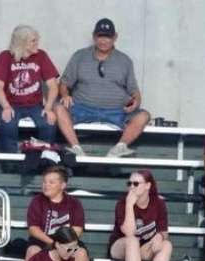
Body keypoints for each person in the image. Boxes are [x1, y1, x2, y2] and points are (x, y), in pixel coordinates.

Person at [54, 18, 149, 157]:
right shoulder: (79, 56)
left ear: (115, 37)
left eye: (108, 37)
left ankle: (119, 148)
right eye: (100, 36)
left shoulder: (125, 60)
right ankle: (76, 149)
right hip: (82, 108)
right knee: (58, 108)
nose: (103, 41)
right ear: (94, 36)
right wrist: (65, 95)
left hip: (116, 111)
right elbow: (64, 83)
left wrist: (136, 102)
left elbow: (134, 91)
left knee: (144, 115)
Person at [0, 25, 59, 154]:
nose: (37, 43)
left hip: (35, 105)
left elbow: (53, 86)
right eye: (33, 41)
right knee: (8, 123)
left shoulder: (41, 56)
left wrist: (48, 108)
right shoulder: (5, 57)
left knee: (48, 124)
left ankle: (44, 162)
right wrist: (6, 107)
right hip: (11, 104)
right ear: (22, 42)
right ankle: (10, 166)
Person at [23, 166, 91, 261]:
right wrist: (54, 244)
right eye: (44, 182)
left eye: (51, 182)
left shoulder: (74, 203)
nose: (46, 185)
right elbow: (33, 229)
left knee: (80, 253)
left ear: (63, 185)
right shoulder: (37, 201)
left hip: (68, 242)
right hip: (43, 242)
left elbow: (77, 230)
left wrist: (64, 245)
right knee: (32, 251)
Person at [108, 169, 172, 261]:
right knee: (132, 241)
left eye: (136, 184)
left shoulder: (159, 203)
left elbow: (164, 231)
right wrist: (129, 205)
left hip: (142, 248)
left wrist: (159, 236)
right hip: (120, 246)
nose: (131, 187)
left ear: (148, 185)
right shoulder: (122, 203)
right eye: (129, 184)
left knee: (166, 244)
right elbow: (129, 232)